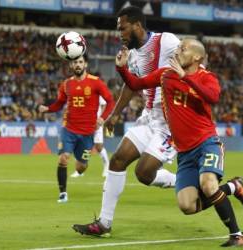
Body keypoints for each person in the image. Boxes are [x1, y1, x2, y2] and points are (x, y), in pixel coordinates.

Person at [113, 38, 243, 247]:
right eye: (178, 47)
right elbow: (136, 84)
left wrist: (186, 78)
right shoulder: (166, 74)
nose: (177, 50)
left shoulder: (207, 77)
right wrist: (122, 68)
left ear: (197, 56)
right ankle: (234, 187)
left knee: (208, 185)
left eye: (183, 48)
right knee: (187, 205)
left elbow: (213, 97)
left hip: (207, 142)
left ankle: (237, 235)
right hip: (185, 152)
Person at [73, 6, 179, 237]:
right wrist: (114, 114)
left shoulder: (167, 41)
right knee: (118, 160)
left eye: (123, 28)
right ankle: (104, 223)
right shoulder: (131, 54)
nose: (119, 33)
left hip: (171, 124)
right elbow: (132, 84)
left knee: (144, 174)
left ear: (137, 25)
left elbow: (193, 63)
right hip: (149, 119)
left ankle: (184, 181)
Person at [39, 53, 115, 203]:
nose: (78, 65)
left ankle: (81, 165)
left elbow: (110, 101)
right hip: (69, 129)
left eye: (80, 62)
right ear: (71, 66)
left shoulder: (96, 82)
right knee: (63, 158)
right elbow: (59, 104)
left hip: (87, 134)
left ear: (85, 64)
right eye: (75, 63)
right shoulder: (66, 84)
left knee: (82, 166)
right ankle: (63, 193)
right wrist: (48, 109)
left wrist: (102, 118)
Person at [71, 96, 110, 178]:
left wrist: (101, 118)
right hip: (84, 123)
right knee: (82, 146)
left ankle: (107, 166)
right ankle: (79, 171)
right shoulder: (80, 92)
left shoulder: (96, 91)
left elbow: (104, 105)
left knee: (99, 146)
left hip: (96, 123)